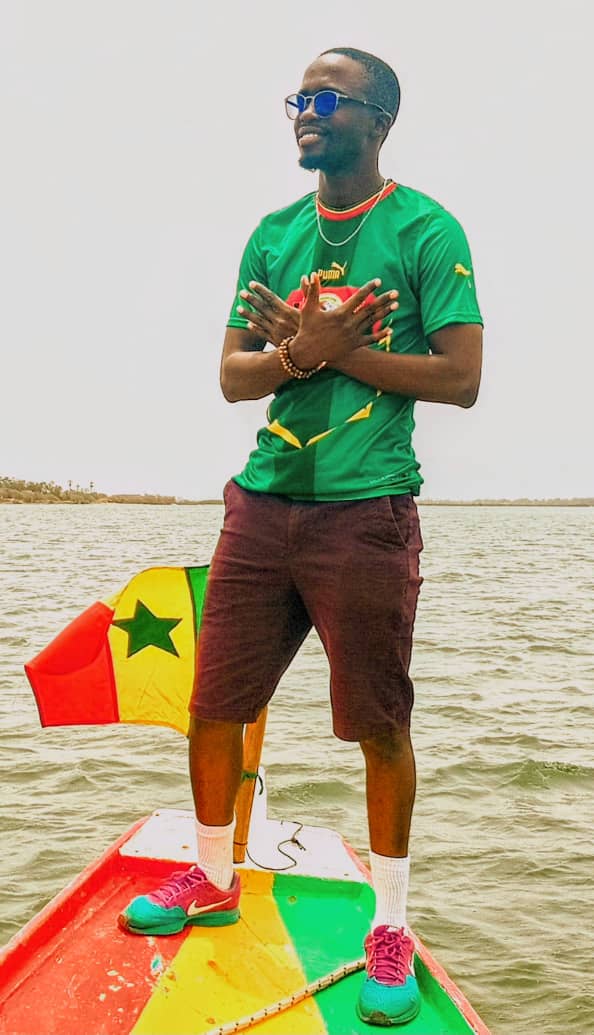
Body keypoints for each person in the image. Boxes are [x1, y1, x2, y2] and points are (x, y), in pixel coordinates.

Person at [119, 46, 483, 1027]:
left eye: (329, 99)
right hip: (261, 504)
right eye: (299, 98)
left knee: (380, 725)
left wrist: (340, 351)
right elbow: (233, 377)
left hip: (367, 513)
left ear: (380, 120)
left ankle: (389, 927)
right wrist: (297, 353)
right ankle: (212, 875)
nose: (306, 112)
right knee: (213, 705)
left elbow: (461, 378)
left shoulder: (425, 230)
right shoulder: (274, 235)